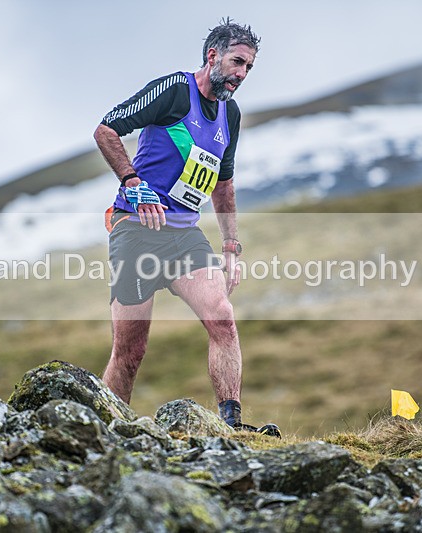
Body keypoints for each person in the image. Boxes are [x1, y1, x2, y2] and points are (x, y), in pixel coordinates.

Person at [94, 18, 278, 436]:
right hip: (136, 229)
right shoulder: (175, 91)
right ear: (212, 56)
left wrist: (231, 247)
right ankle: (103, 432)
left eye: (248, 68)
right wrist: (133, 182)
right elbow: (106, 130)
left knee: (223, 318)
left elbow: (223, 182)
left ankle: (231, 423)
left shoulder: (230, 114)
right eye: (236, 62)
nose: (241, 75)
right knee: (130, 351)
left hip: (183, 236)